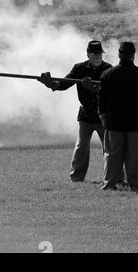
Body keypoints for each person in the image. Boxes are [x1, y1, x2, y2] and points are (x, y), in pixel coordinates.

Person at [38, 40, 115, 183]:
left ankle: (114, 177)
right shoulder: (79, 68)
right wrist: (51, 84)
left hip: (103, 115)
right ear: (88, 54)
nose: (98, 57)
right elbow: (64, 83)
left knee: (109, 148)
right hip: (86, 114)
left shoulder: (109, 69)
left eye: (100, 54)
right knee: (81, 147)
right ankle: (77, 177)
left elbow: (113, 93)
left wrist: (96, 90)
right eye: (95, 54)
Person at [98, 42, 138, 191]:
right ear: (133, 55)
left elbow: (101, 99)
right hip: (135, 122)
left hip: (114, 122)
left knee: (112, 155)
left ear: (119, 54)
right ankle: (135, 184)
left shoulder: (107, 74)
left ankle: (109, 183)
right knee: (135, 157)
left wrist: (103, 117)